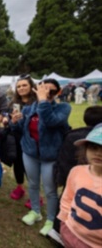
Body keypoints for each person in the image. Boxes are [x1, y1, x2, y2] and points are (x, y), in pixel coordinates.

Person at [10, 78, 71, 236]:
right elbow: (20, 131)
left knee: (50, 190)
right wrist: (14, 123)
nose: (46, 93)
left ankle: (51, 219)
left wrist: (43, 101)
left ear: (57, 92)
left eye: (50, 91)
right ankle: (36, 211)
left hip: (50, 157)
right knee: (33, 184)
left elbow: (51, 121)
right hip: (30, 154)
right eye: (43, 90)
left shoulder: (63, 108)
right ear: (37, 90)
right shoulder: (28, 109)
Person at [48, 105, 102, 245]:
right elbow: (67, 199)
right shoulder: (77, 171)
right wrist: (64, 224)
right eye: (93, 147)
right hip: (71, 233)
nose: (98, 153)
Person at [1, 74, 37, 203]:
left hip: (32, 140)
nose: (21, 88)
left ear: (32, 86)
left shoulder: (37, 102)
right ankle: (20, 187)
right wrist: (9, 120)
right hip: (16, 139)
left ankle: (35, 195)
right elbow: (10, 121)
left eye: (24, 85)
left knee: (31, 169)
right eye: (19, 86)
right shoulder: (14, 103)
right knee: (18, 165)